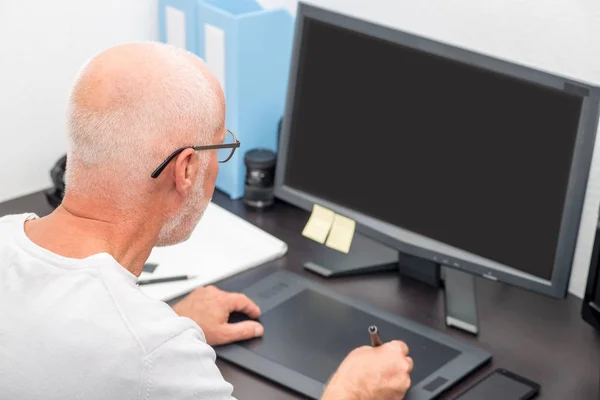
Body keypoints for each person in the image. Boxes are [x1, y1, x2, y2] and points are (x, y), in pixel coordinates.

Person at [0, 42, 413, 399]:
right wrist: (354, 391)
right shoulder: (154, 352)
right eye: (222, 146)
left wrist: (174, 323)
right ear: (186, 170)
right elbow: (128, 351)